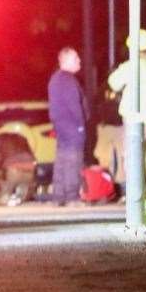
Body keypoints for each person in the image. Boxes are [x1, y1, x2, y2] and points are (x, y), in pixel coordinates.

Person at [107, 28, 146, 199]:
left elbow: (113, 82)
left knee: (131, 156)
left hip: (134, 118)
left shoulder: (132, 65)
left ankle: (135, 195)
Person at [47, 47, 88, 205]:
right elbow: (74, 105)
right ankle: (72, 197)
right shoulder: (68, 80)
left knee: (62, 160)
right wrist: (80, 125)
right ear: (66, 61)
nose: (79, 61)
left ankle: (58, 196)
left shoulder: (55, 79)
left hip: (61, 127)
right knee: (73, 161)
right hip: (73, 127)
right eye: (76, 58)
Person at [0, 131, 37, 206]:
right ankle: (22, 199)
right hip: (30, 169)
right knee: (23, 196)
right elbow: (31, 156)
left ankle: (3, 197)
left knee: (3, 194)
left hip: (13, 170)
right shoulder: (21, 137)